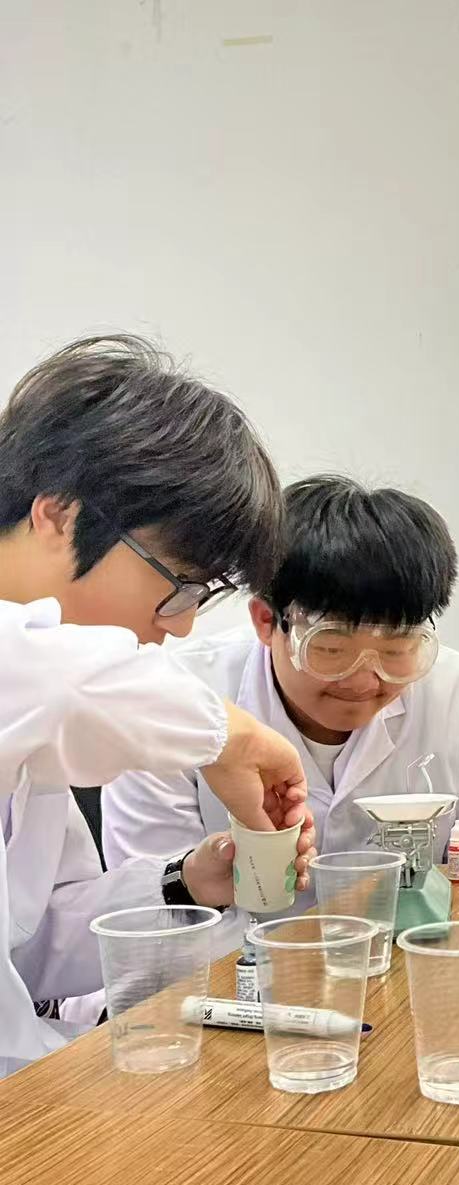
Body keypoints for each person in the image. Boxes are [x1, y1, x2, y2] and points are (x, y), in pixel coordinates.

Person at [0, 334, 314, 1069]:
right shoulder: (42, 677)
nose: (179, 624)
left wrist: (188, 882)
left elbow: (36, 944)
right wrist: (233, 739)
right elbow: (63, 685)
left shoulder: (39, 713)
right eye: (177, 585)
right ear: (59, 517)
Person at [103, 473, 459, 949]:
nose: (363, 680)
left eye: (396, 650)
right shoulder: (172, 700)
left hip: (407, 964)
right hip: (231, 976)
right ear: (266, 620)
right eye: (330, 648)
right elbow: (154, 914)